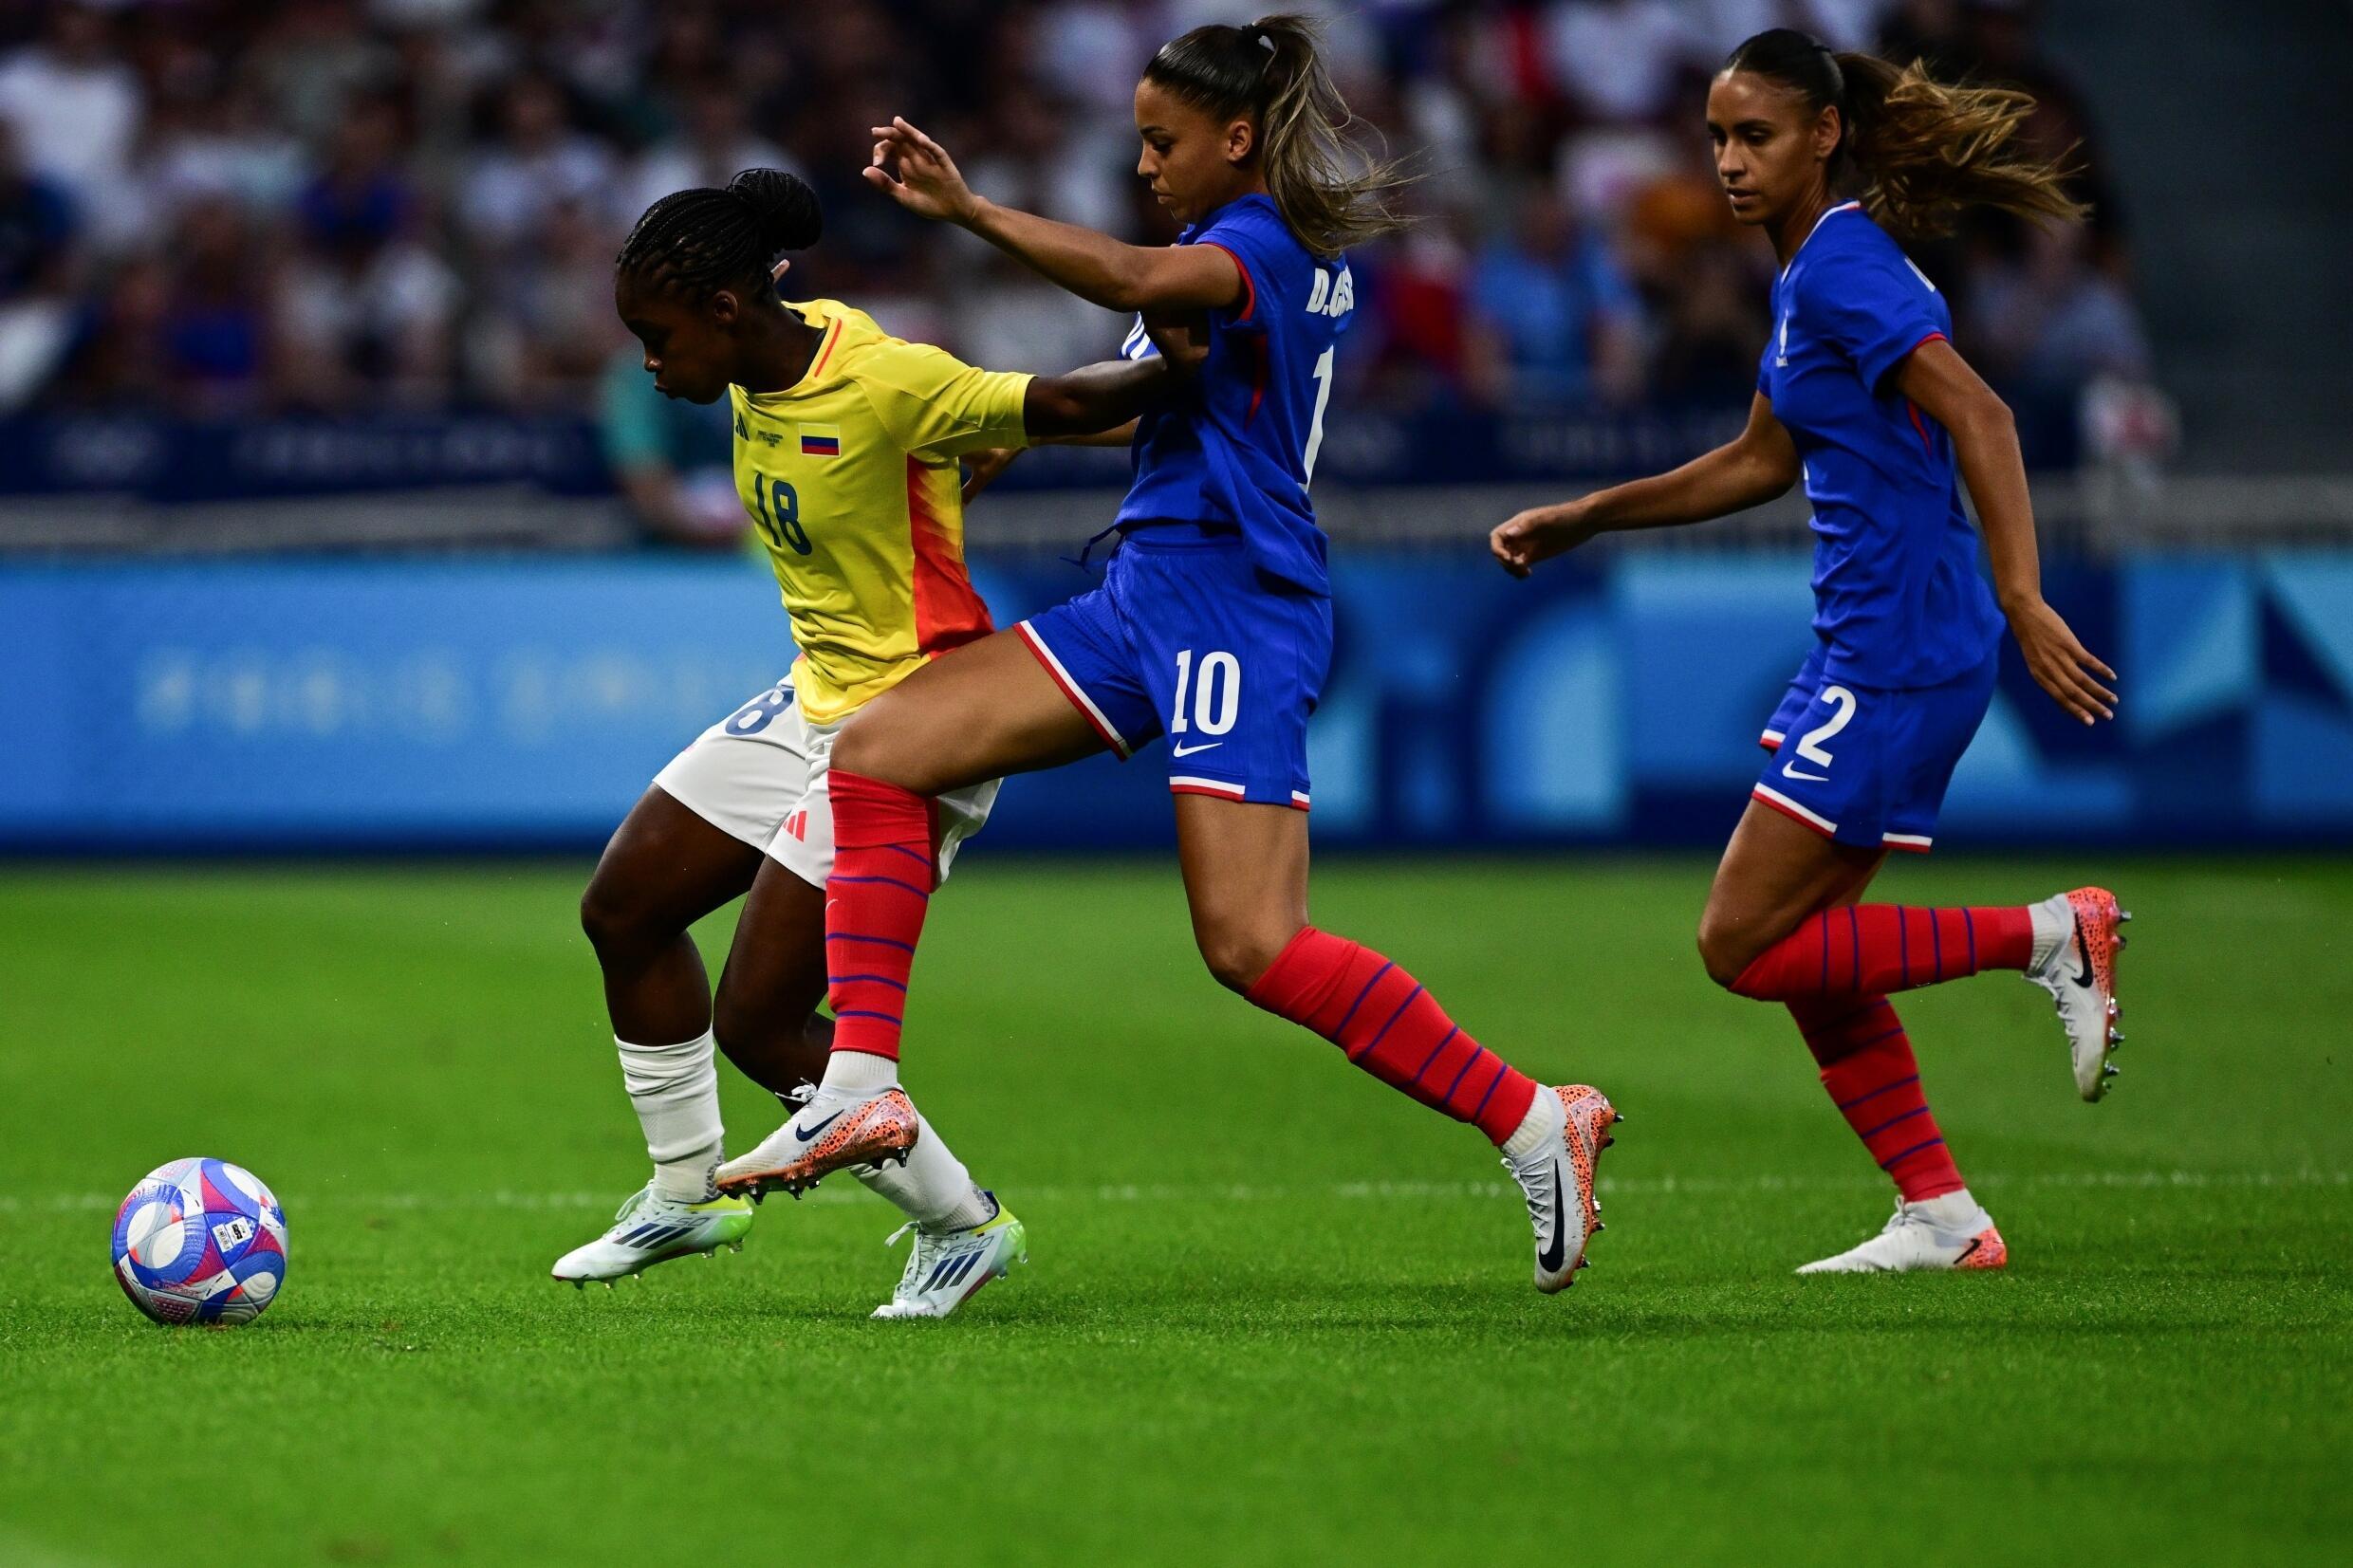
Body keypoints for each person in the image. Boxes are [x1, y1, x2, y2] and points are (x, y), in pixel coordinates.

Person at [714, 16, 1622, 1297]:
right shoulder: (1226, 252)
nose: (1143, 163)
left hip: (1233, 605)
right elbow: (1154, 369)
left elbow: (1139, 286)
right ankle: (861, 1083)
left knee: (1253, 943)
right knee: (880, 753)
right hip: (1147, 590)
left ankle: (1534, 1116)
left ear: (1237, 139)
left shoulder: (1255, 244)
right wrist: (1021, 432)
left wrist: (970, 209)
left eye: (1163, 141)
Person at [1490, 28, 2128, 1274]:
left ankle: (2050, 933)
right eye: (1719, 137)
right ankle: (1940, 1212)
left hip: (1899, 651)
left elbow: (1982, 413)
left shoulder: (1842, 270)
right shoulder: (1809, 281)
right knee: (1807, 952)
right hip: (1870, 644)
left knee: (1741, 942)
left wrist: (2022, 592)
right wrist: (1587, 515)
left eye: (1756, 136)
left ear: (1823, 137)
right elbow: (1759, 460)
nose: (1728, 161)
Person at [554, 168, 1174, 1318]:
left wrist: (1208, 357)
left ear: (727, 312)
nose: (648, 360)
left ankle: (961, 1222)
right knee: (624, 908)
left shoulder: (880, 376)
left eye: (656, 335)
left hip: (914, 720)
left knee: (758, 1020)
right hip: (813, 695)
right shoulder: (774, 354)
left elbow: (1078, 407)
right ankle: (687, 1190)